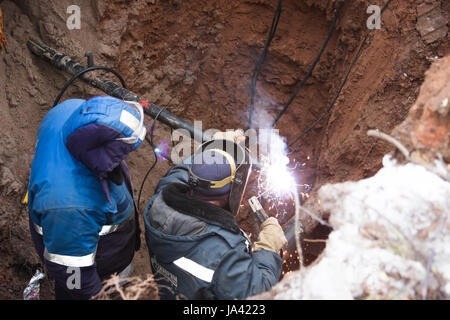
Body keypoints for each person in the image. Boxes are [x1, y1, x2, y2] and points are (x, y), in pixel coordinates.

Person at [28, 96, 146, 300]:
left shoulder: (69, 111)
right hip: (96, 273)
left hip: (83, 240)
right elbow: (72, 275)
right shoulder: (71, 205)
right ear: (103, 150)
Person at [144, 135, 287, 299]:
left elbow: (183, 170)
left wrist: (213, 153)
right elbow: (257, 291)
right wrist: (268, 249)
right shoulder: (222, 250)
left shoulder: (161, 198)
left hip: (166, 291)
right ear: (231, 192)